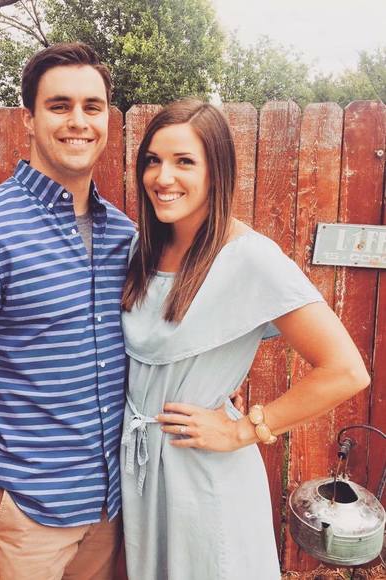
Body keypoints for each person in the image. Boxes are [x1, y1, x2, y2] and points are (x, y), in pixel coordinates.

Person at [120, 99, 370, 580]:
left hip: (202, 477)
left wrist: (242, 430)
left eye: (184, 161)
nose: (163, 177)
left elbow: (345, 370)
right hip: (142, 475)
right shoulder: (143, 248)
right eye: (153, 160)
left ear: (217, 171)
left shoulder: (250, 258)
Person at [0, 42, 135, 580]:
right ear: (29, 120)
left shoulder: (125, 235)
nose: (78, 121)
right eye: (59, 106)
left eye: (92, 106)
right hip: (23, 513)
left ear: (107, 119)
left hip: (109, 508)